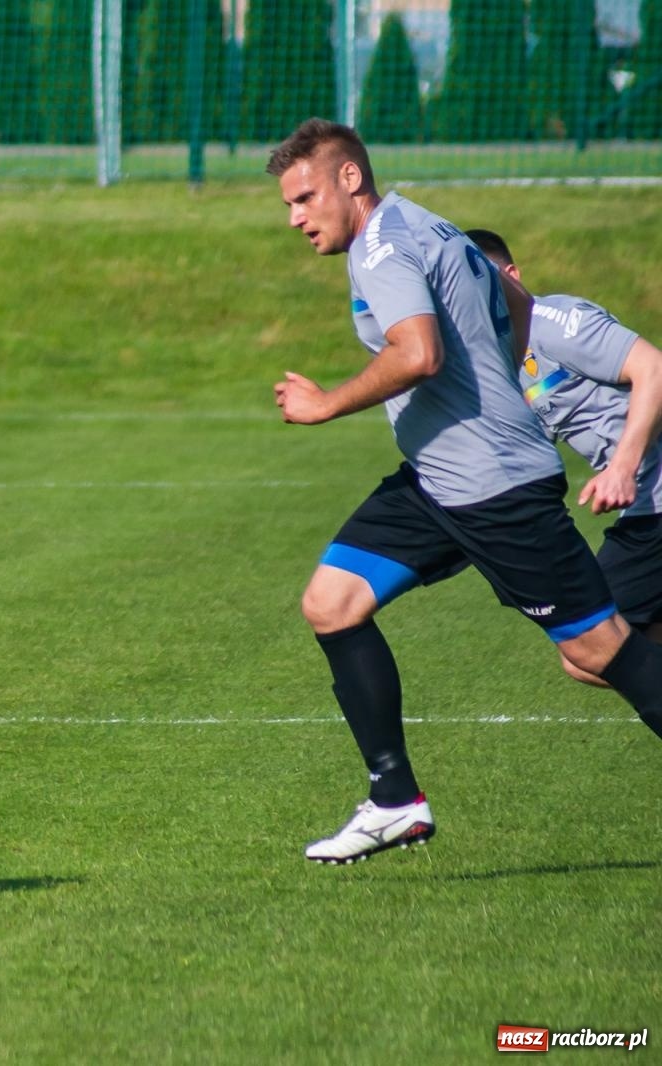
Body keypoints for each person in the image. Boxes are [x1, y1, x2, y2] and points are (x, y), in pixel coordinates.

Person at [267, 119, 662, 865]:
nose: (295, 217)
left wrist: (326, 404)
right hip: (438, 480)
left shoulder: (382, 249)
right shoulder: (433, 227)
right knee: (331, 601)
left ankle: (395, 799)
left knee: (602, 651)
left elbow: (417, 353)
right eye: (288, 204)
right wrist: (492, 399)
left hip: (493, 491)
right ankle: (395, 801)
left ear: (350, 178)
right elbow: (518, 315)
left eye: (305, 197)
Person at [465, 228, 662, 680]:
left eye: (482, 278)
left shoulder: (554, 321)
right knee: (607, 646)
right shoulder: (503, 357)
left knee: (592, 648)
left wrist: (622, 468)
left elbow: (654, 368)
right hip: (648, 508)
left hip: (655, 500)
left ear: (511, 275)